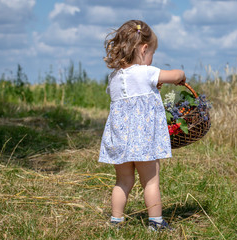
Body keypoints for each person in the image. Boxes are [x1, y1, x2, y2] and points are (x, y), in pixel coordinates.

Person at [98, 19, 186, 231]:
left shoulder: (114, 77)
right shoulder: (146, 72)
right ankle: (156, 223)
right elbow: (174, 76)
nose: (151, 58)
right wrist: (181, 75)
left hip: (120, 141)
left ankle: (116, 221)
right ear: (144, 49)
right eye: (152, 53)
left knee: (123, 182)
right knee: (151, 182)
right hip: (143, 142)